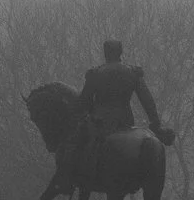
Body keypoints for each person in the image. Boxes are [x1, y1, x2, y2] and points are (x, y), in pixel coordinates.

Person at [70, 40, 175, 180]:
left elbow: (84, 102)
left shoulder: (95, 73)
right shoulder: (133, 72)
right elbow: (147, 100)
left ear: (105, 52)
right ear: (120, 52)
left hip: (100, 124)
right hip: (125, 122)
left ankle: (74, 179)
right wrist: (155, 124)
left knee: (75, 148)